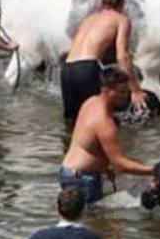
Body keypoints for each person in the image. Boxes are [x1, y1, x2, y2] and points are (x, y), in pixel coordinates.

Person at [59, 66, 154, 203]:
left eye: (127, 91)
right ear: (106, 90)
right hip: (82, 179)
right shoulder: (104, 122)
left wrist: (104, 168)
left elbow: (88, 143)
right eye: (121, 92)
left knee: (93, 220)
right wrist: (155, 170)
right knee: (92, 222)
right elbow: (120, 164)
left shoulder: (90, 102)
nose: (125, 96)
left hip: (69, 172)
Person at [61, 0, 148, 122]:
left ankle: (70, 143)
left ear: (102, 2)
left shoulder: (88, 20)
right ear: (123, 3)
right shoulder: (121, 20)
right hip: (87, 68)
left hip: (67, 68)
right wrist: (136, 90)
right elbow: (122, 57)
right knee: (99, 117)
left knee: (73, 121)